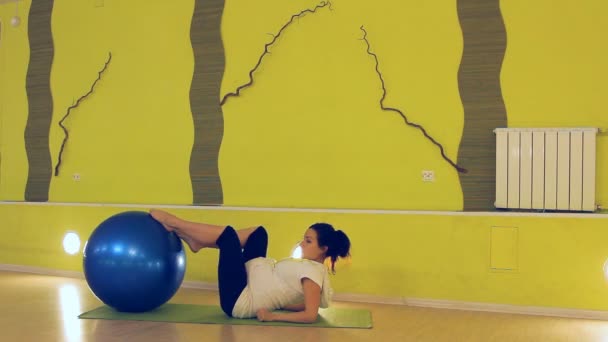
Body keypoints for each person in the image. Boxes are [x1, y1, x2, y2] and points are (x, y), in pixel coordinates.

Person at [149, 209, 351, 323]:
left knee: (229, 236)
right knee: (259, 233)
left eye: (307, 241)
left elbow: (310, 314)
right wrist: (283, 304)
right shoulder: (309, 268)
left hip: (241, 299)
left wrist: (273, 316)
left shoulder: (313, 275)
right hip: (252, 276)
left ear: (323, 248)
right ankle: (197, 242)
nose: (301, 244)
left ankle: (178, 224)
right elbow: (306, 303)